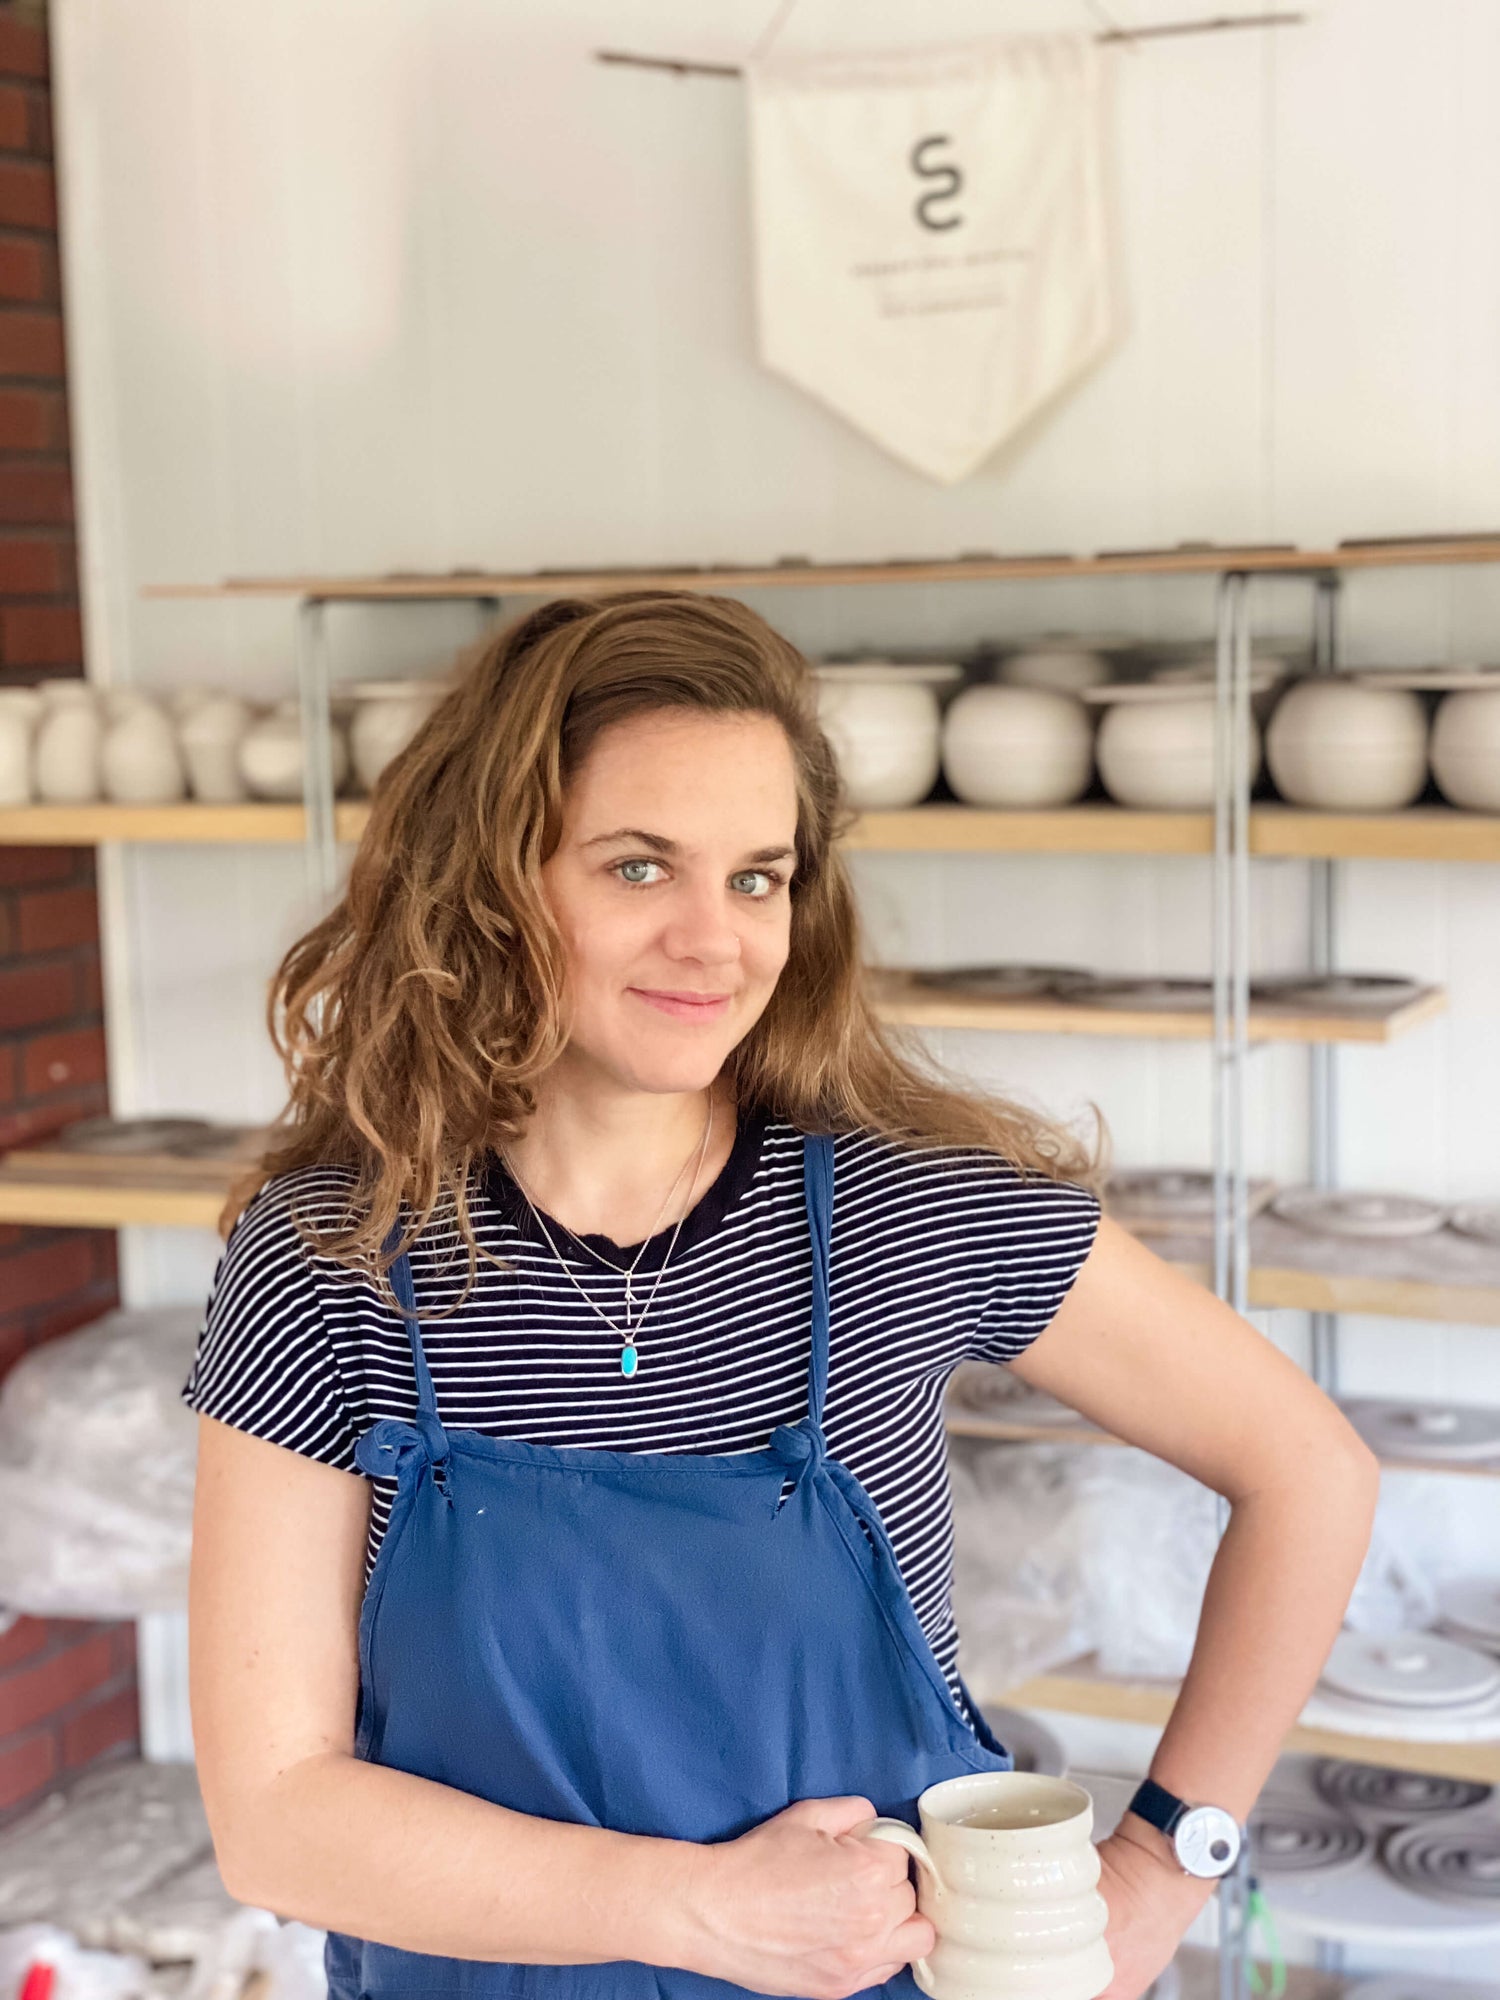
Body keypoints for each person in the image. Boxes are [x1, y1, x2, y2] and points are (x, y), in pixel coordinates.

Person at [183, 592, 1378, 2000]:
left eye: (759, 877)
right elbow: (276, 1823)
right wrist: (695, 1910)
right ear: (491, 882)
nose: (718, 939)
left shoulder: (910, 1209)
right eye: (639, 869)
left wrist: (1170, 1865)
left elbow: (1310, 1469)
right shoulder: (334, 1261)